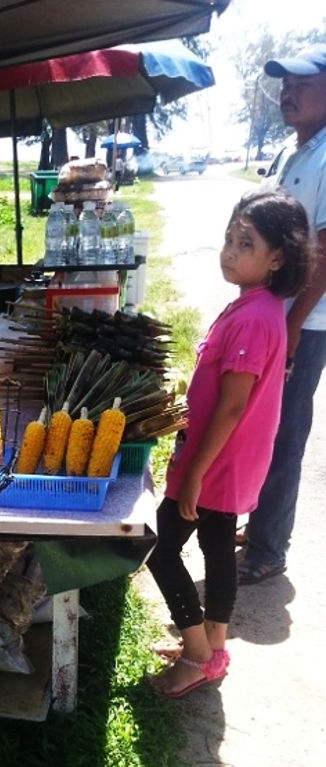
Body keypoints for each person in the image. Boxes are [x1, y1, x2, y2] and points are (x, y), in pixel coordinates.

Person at [146, 191, 312, 698]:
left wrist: (195, 470)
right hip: (232, 462)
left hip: (216, 463)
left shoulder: (253, 318)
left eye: (246, 243)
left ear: (277, 259)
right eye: (228, 239)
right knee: (218, 547)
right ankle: (214, 646)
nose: (229, 252)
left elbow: (234, 405)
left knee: (158, 549)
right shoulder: (260, 307)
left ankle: (197, 656)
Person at [238, 44, 326, 585]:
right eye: (283, 85)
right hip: (276, 318)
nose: (287, 94)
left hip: (306, 324)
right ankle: (260, 521)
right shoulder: (292, 152)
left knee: (285, 429)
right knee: (262, 424)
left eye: (301, 84)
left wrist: (292, 328)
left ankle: (269, 547)